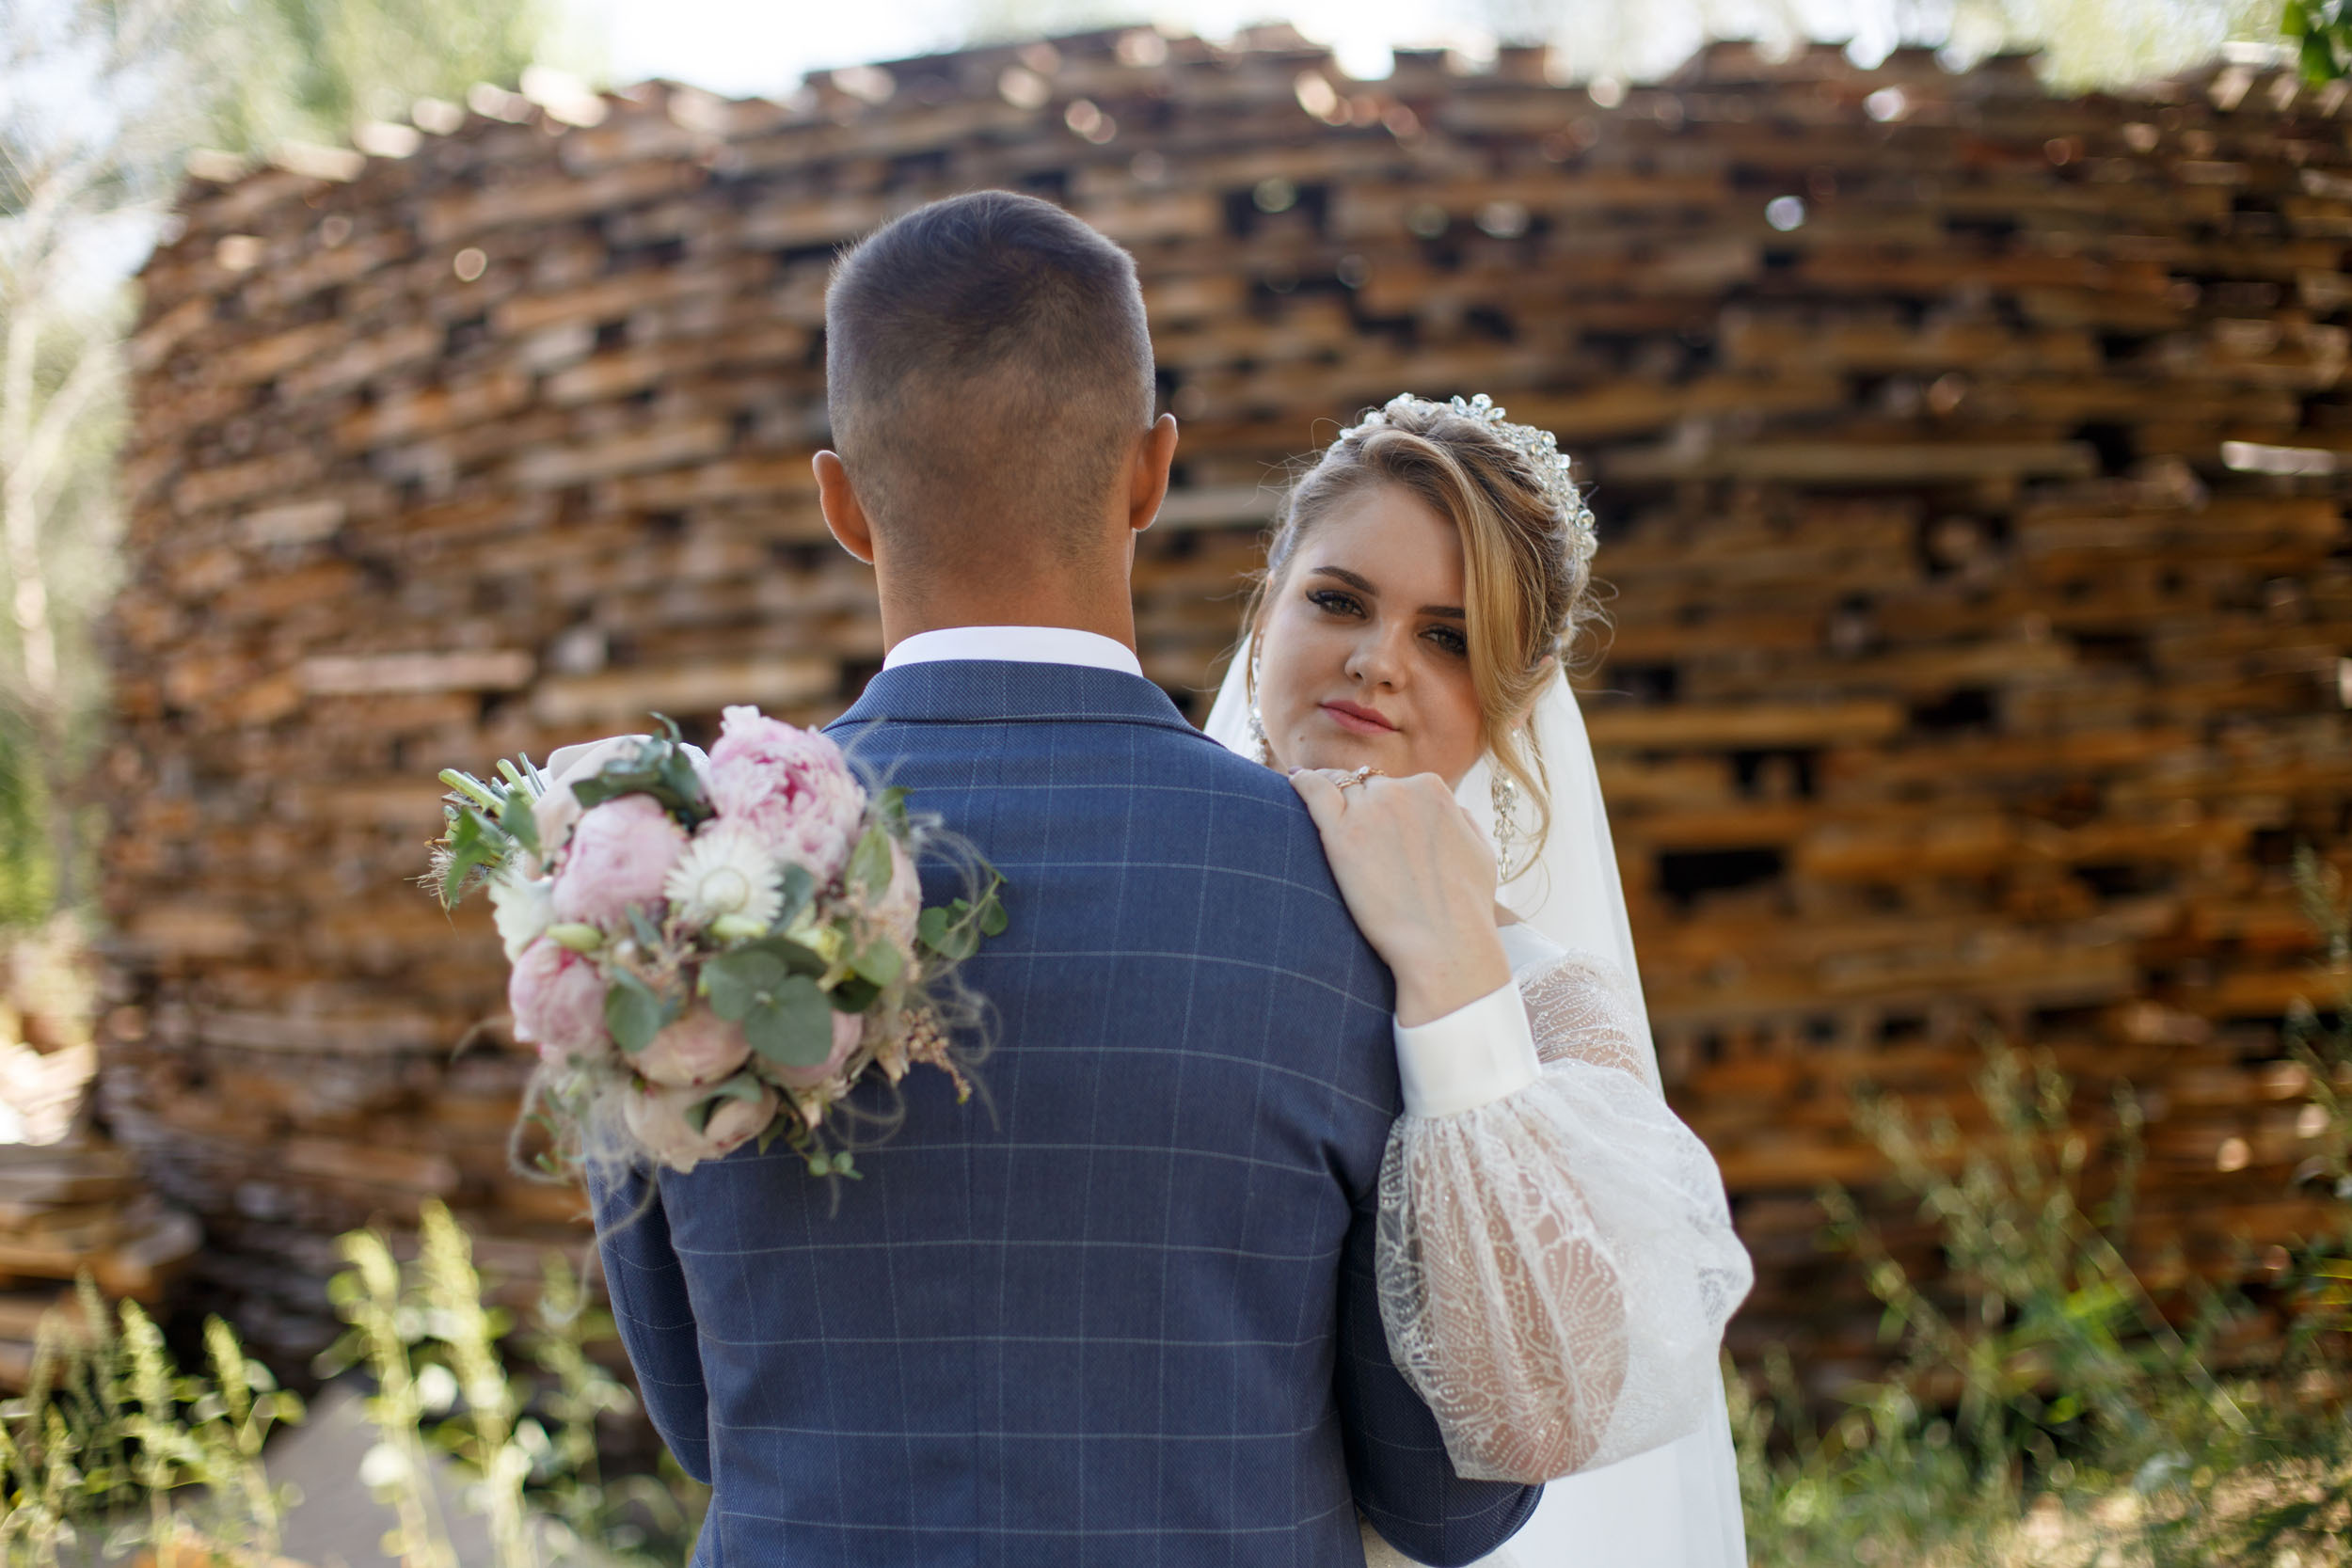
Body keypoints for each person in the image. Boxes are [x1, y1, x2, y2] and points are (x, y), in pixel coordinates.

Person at [588, 190, 1542, 1567]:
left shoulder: (671, 879)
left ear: (844, 504)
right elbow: (1452, 1498)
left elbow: (700, 1414)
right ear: (1151, 473)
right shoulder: (1355, 893)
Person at [1201, 393, 1754, 1567]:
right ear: (1267, 606)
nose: (1375, 661)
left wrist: (1452, 976)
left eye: (1447, 637)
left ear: (1520, 686)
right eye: (1338, 600)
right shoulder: (1155, 896)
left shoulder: (1552, 1002)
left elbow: (1546, 1403)